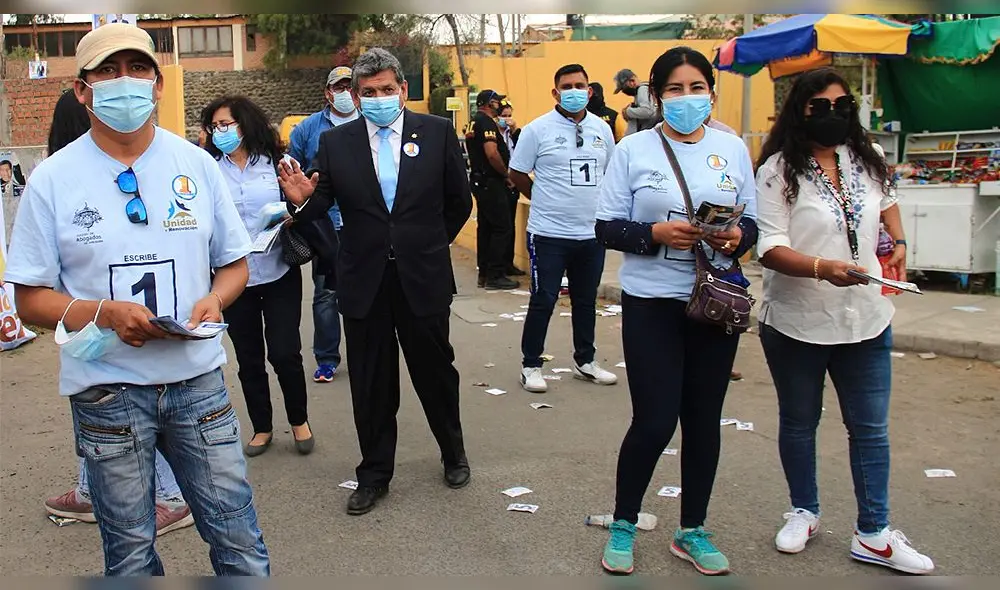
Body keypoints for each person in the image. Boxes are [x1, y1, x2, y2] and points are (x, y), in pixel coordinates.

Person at [3, 24, 268, 575]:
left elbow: (235, 265)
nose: (124, 81)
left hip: (197, 383)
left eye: (137, 68)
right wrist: (103, 313)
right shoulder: (53, 179)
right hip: (107, 393)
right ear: (82, 90)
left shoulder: (196, 166)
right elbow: (28, 298)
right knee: (128, 556)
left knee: (239, 542)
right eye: (107, 71)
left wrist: (216, 299)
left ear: (157, 83)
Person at [277, 48, 473, 516]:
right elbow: (319, 204)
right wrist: (301, 200)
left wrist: (424, 245)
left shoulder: (437, 133)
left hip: (422, 276)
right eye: (369, 92)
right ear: (356, 96)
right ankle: (374, 474)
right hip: (364, 279)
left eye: (387, 89)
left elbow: (459, 201)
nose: (379, 98)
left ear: (403, 90)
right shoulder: (337, 143)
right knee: (371, 383)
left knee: (435, 372)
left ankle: (453, 453)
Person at [754, 67, 931, 575]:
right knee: (799, 422)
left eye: (841, 105)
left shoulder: (866, 157)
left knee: (870, 429)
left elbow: (889, 201)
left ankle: (873, 533)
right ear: (799, 110)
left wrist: (898, 243)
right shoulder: (777, 170)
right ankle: (803, 511)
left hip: (867, 319)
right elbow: (769, 246)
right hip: (798, 320)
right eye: (819, 106)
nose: (832, 115)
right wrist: (821, 268)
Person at [594, 47, 758, 575]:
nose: (687, 99)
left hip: (714, 302)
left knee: (704, 421)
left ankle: (692, 530)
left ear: (711, 92)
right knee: (655, 419)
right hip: (652, 302)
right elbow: (606, 226)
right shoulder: (633, 149)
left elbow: (752, 222)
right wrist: (656, 234)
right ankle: (624, 523)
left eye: (696, 88)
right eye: (674, 89)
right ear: (657, 95)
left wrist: (735, 237)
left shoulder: (731, 148)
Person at [41, 88, 195, 536]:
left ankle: (167, 494)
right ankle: (92, 487)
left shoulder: (176, 165)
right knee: (101, 407)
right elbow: (33, 293)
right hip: (96, 338)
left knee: (138, 409)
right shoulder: (58, 179)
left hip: (133, 342)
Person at [202, 96, 313, 457]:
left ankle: (299, 420)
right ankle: (262, 427)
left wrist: (293, 212)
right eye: (214, 126)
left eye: (226, 124)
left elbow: (303, 202)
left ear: (245, 124)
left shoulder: (278, 163)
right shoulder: (207, 169)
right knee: (249, 359)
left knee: (285, 352)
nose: (219, 132)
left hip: (278, 271)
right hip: (234, 280)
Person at [508, 64, 618, 394]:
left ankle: (586, 360)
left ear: (590, 91)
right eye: (566, 87)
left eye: (579, 85)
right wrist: (542, 198)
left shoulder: (602, 129)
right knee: (544, 299)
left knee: (586, 300)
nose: (573, 91)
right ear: (555, 93)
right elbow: (517, 172)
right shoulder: (537, 130)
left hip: (591, 234)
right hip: (548, 234)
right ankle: (531, 365)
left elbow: (611, 173)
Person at [288, 66, 359, 383]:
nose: (344, 92)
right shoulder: (308, 130)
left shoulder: (370, 123)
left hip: (362, 222)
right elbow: (292, 171)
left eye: (349, 86)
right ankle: (327, 359)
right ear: (328, 93)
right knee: (326, 292)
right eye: (338, 87)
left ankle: (364, 354)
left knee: (365, 290)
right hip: (324, 223)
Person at [466, 89, 518, 290]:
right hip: (491, 182)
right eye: (496, 102)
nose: (499, 105)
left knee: (486, 228)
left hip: (480, 180)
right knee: (502, 227)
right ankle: (496, 275)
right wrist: (506, 175)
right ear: (488, 103)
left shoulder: (473, 122)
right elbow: (491, 153)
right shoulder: (486, 122)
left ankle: (485, 273)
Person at [497, 100, 525, 278]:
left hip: (513, 182)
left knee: (511, 225)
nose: (506, 119)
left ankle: (508, 262)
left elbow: (522, 150)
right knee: (502, 226)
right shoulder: (493, 134)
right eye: (503, 116)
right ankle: (498, 265)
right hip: (500, 181)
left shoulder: (512, 134)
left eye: (509, 116)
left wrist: (515, 130)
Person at [614, 68, 659, 135]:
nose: (624, 91)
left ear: (632, 81)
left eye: (623, 88)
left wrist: (627, 112)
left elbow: (648, 111)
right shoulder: (644, 89)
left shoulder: (642, 89)